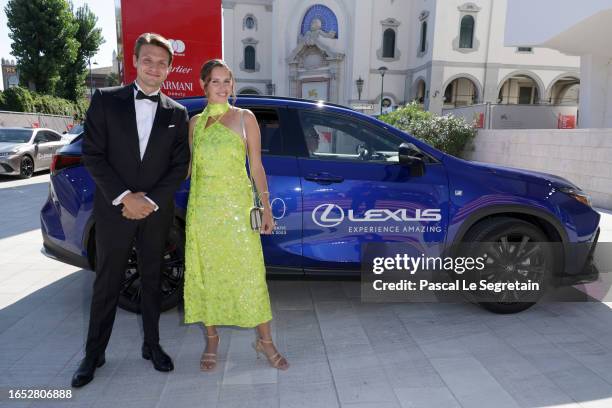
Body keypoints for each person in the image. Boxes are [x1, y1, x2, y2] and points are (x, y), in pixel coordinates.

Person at [72, 33, 190, 387]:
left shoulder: (178, 112)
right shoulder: (106, 101)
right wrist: (126, 197)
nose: (155, 68)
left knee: (152, 280)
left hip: (156, 212)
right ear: (135, 61)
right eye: (148, 60)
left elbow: (179, 165)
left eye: (162, 63)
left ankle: (152, 345)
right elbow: (92, 154)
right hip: (114, 210)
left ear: (169, 69)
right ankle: (94, 354)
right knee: (107, 282)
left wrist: (149, 201)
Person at [183, 59, 289, 371]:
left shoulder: (245, 118)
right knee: (207, 275)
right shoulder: (195, 124)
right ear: (204, 85)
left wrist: (266, 208)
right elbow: (190, 169)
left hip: (237, 212)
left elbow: (256, 166)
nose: (222, 87)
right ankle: (212, 338)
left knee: (251, 274)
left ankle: (265, 342)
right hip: (202, 212)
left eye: (227, 81)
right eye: (215, 81)